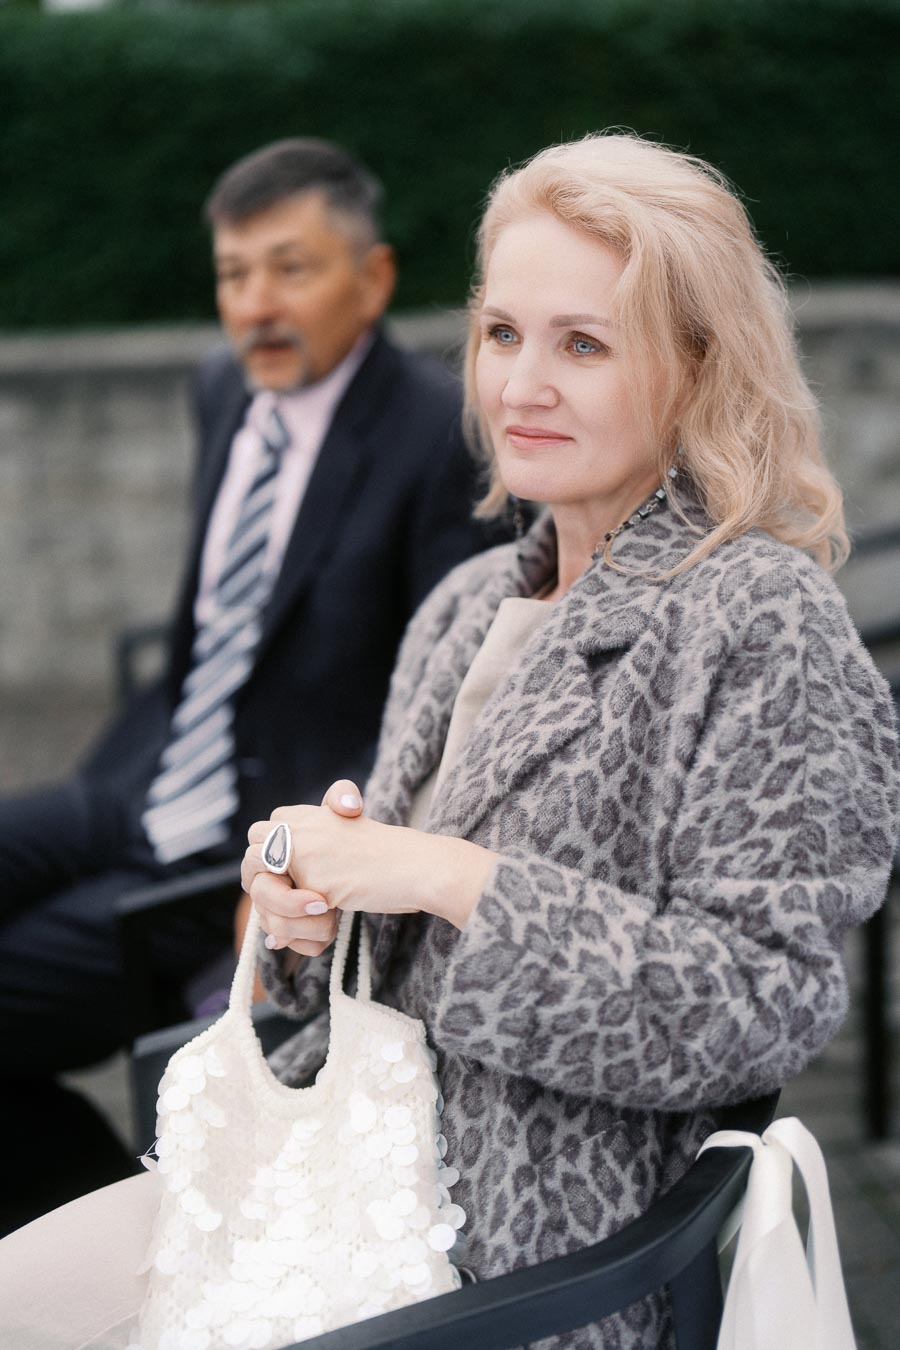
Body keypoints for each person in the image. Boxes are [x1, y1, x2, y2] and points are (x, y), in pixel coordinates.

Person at [0, 131, 897, 1350]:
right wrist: (302, 913)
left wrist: (442, 874)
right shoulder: (467, 606)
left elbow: (758, 1004)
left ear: (698, 364)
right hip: (332, 1168)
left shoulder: (758, 620)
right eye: (500, 333)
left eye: (584, 343)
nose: (521, 384)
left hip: (522, 1243)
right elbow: (360, 967)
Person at [0, 138, 491, 1233]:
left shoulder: (436, 437)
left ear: (372, 278)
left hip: (238, 848)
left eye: (291, 268)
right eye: (233, 274)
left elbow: (443, 703)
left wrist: (295, 859)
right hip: (132, 779)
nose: (255, 304)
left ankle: (106, 1226)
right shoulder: (222, 387)